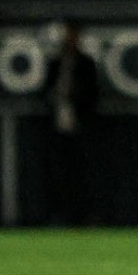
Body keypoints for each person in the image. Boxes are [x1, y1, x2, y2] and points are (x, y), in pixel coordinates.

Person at [42, 20, 99, 225]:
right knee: (58, 173)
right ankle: (60, 215)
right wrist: (55, 98)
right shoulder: (55, 62)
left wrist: (74, 96)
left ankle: (85, 216)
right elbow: (43, 92)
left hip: (80, 125)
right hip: (58, 125)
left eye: (73, 35)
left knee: (82, 174)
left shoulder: (86, 63)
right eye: (67, 35)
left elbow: (93, 95)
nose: (70, 39)